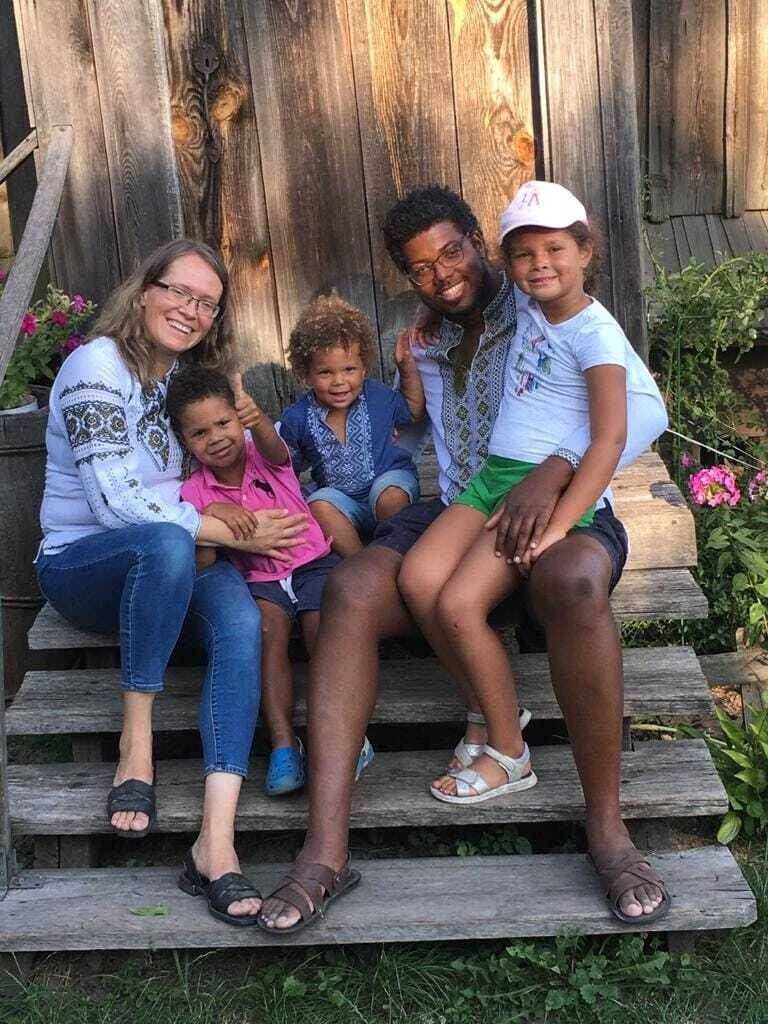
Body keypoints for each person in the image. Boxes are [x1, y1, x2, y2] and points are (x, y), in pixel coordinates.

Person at [256, 184, 669, 936]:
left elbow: (642, 409)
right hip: (463, 506)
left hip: (555, 505)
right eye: (420, 269)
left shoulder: (540, 303)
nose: (442, 274)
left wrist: (555, 468)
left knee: (574, 577)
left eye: (453, 251)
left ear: (483, 244)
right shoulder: (432, 338)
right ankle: (323, 853)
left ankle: (609, 833)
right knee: (349, 588)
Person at [36, 239, 307, 926]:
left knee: (241, 620)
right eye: (179, 292)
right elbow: (114, 501)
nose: (190, 310)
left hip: (179, 562)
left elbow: (188, 479)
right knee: (161, 541)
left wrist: (220, 507)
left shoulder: (174, 378)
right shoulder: (96, 366)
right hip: (85, 565)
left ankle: (215, 844)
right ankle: (137, 743)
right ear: (145, 289)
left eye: (206, 303)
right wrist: (227, 529)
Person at [399, 184, 665, 866]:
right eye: (524, 254)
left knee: (459, 601)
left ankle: (510, 753)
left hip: (529, 490)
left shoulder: (594, 329)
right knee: (419, 575)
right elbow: (463, 297)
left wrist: (555, 504)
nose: (538, 264)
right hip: (491, 476)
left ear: (585, 250)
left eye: (554, 249)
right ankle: (495, 712)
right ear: (506, 260)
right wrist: (426, 326)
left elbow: (631, 423)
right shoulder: (522, 299)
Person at [166, 365, 371, 797]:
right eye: (199, 433)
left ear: (238, 419)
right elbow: (204, 561)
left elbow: (278, 452)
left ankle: (341, 735)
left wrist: (256, 420)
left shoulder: (265, 456)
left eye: (223, 423)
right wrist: (214, 515)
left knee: (323, 630)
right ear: (185, 442)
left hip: (313, 562)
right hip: (260, 580)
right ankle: (282, 745)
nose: (217, 438)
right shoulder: (194, 493)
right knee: (267, 637)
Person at [278, 294, 426, 557]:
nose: (339, 381)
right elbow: (287, 469)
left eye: (349, 369)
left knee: (391, 494)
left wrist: (406, 369)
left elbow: (412, 411)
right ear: (305, 374)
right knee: (319, 505)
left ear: (364, 367)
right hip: (343, 502)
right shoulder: (298, 417)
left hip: (387, 484)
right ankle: (360, 563)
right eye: (325, 372)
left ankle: (391, 554)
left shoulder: (378, 396)